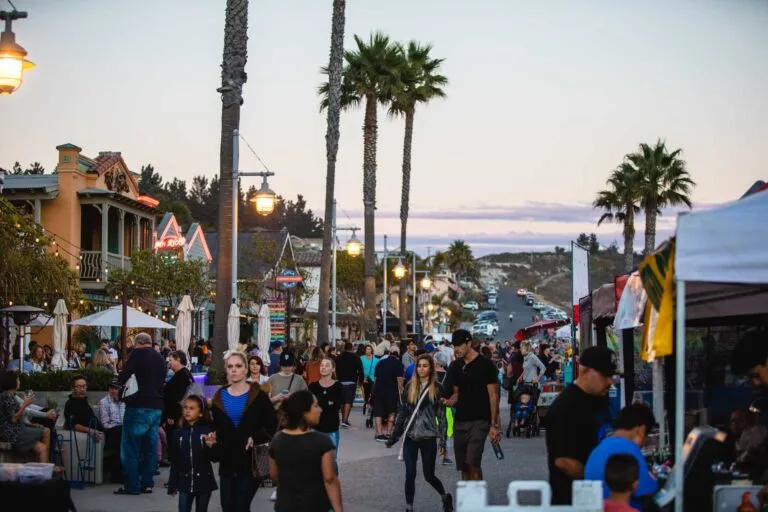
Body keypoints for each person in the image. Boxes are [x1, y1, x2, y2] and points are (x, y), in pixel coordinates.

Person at [545, 345, 615, 505]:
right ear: (584, 371)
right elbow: (564, 462)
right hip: (573, 501)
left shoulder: (600, 399)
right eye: (604, 375)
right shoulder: (565, 407)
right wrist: (602, 484)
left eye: (611, 375)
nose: (610, 381)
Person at [208, 352, 277, 512]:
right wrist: (212, 437)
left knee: (241, 505)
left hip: (251, 460)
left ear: (246, 370)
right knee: (227, 506)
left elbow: (272, 424)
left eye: (238, 366)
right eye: (230, 366)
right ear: (226, 370)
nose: (234, 370)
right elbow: (215, 426)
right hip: (227, 460)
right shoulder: (219, 396)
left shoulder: (258, 396)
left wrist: (256, 437)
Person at [386, 355, 453, 512]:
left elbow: (442, 418)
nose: (421, 369)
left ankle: (445, 496)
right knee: (410, 473)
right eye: (419, 366)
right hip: (410, 437)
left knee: (429, 475)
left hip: (428, 437)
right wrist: (394, 438)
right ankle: (409, 506)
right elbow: (402, 414)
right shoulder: (410, 387)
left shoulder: (437, 388)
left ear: (431, 368)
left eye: (425, 366)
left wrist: (443, 442)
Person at [268, 390, 343, 512]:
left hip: (285, 505)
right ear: (304, 412)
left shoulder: (277, 440)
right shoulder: (322, 441)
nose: (320, 410)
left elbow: (273, 475)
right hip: (315, 505)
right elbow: (329, 479)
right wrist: (338, 509)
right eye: (315, 406)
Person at [442, 329, 500, 481]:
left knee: (473, 463)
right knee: (464, 466)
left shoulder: (486, 365)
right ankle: (468, 499)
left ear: (469, 343)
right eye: (454, 345)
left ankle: (477, 500)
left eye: (460, 345)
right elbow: (456, 393)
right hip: (460, 421)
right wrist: (450, 401)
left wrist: (494, 425)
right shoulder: (455, 366)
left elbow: (493, 396)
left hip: (480, 421)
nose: (456, 349)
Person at [115, 332, 167, 496]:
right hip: (157, 406)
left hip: (138, 405)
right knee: (150, 447)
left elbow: (124, 375)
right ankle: (147, 483)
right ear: (150, 343)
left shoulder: (137, 354)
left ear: (138, 343)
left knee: (131, 446)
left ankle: (132, 485)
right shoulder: (160, 358)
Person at [584, 403, 658, 511]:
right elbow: (648, 489)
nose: (644, 442)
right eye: (647, 436)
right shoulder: (629, 448)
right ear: (641, 430)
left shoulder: (600, 447)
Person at [169, 395, 217, 512]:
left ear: (200, 413)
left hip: (204, 482)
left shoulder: (207, 432)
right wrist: (172, 484)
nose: (187, 411)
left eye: (191, 408)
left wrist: (212, 445)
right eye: (185, 407)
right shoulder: (177, 433)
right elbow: (174, 460)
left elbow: (214, 457)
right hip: (184, 482)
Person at [0, 371, 49, 462]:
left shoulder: (11, 396)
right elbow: (14, 419)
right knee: (46, 431)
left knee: (43, 448)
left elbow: (20, 417)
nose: (19, 381)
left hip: (18, 429)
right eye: (17, 379)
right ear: (12, 381)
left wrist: (32, 425)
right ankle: (47, 468)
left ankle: (46, 468)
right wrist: (25, 405)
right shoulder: (5, 396)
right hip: (13, 433)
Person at [308, 357, 343, 472]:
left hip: (331, 428)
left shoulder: (338, 386)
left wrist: (321, 404)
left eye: (327, 365)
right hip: (315, 428)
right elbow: (310, 405)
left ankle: (332, 486)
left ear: (333, 369)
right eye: (322, 365)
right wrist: (328, 403)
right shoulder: (313, 386)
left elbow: (337, 405)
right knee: (314, 460)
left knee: (332, 461)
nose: (323, 367)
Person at [164, 351, 194, 458]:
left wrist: (171, 415)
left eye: (171, 360)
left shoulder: (182, 376)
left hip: (177, 417)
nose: (169, 363)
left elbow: (178, 398)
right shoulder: (183, 374)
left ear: (178, 360)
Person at [372, 346, 405, 441]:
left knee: (378, 413)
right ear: (398, 354)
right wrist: (401, 391)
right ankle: (388, 433)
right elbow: (400, 380)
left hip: (378, 391)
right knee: (391, 412)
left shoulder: (380, 363)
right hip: (391, 392)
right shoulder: (399, 364)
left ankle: (379, 434)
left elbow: (375, 379)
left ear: (389, 353)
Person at [99, 380, 126, 482]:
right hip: (110, 431)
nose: (114, 391)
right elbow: (105, 423)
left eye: (116, 389)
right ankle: (118, 475)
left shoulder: (124, 401)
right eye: (112, 388)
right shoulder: (104, 402)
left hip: (122, 430)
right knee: (121, 437)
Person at [335, 341, 364, 428]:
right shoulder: (356, 358)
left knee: (342, 401)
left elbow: (335, 368)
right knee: (348, 401)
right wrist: (361, 381)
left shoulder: (338, 358)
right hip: (351, 382)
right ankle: (345, 420)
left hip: (340, 381)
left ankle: (344, 418)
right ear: (352, 348)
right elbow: (361, 371)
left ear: (344, 348)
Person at [360, 344, 378, 415]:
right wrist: (362, 379)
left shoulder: (376, 359)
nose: (368, 350)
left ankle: (371, 407)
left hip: (374, 379)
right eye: (367, 349)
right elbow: (360, 370)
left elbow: (378, 370)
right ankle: (367, 405)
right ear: (364, 350)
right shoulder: (361, 358)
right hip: (365, 379)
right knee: (366, 394)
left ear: (372, 350)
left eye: (369, 349)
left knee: (373, 394)